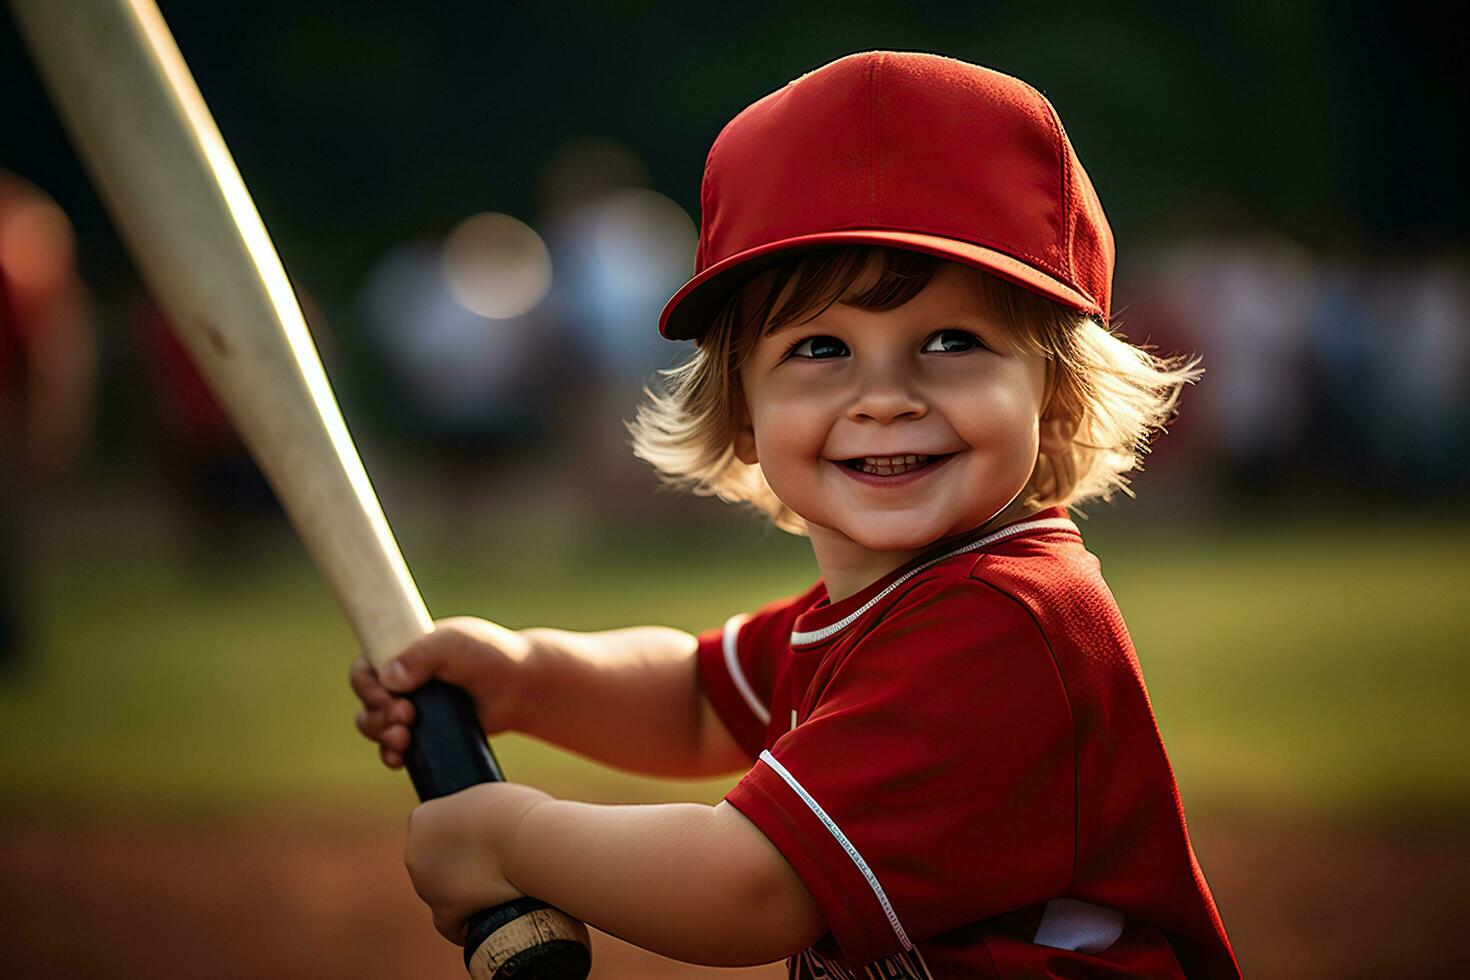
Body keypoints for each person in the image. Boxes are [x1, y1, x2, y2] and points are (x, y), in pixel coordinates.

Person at [349, 52, 1240, 978]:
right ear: (739, 411)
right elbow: (697, 698)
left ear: (1056, 394)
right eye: (821, 347)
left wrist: (513, 836)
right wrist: (526, 675)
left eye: (951, 341)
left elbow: (752, 890)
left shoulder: (1004, 622)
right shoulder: (903, 601)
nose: (886, 397)